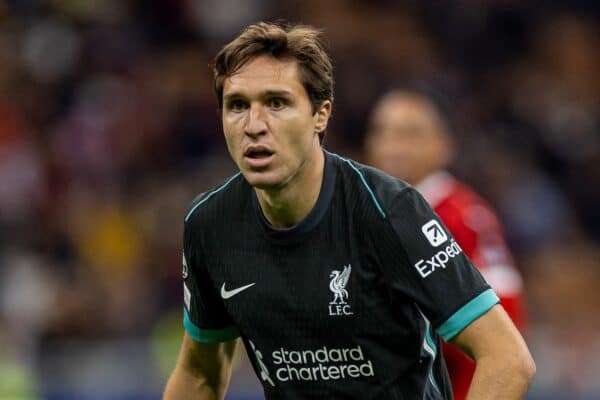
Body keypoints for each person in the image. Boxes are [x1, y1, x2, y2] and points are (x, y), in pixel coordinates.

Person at [163, 22, 535, 400]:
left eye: (277, 103)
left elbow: (507, 357)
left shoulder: (390, 210)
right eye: (237, 105)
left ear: (320, 115)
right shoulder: (210, 224)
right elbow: (200, 372)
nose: (254, 125)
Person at [365, 90, 529, 400]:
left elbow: (505, 330)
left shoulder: (466, 218)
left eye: (409, 134)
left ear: (443, 145)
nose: (392, 146)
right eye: (381, 132)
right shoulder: (362, 213)